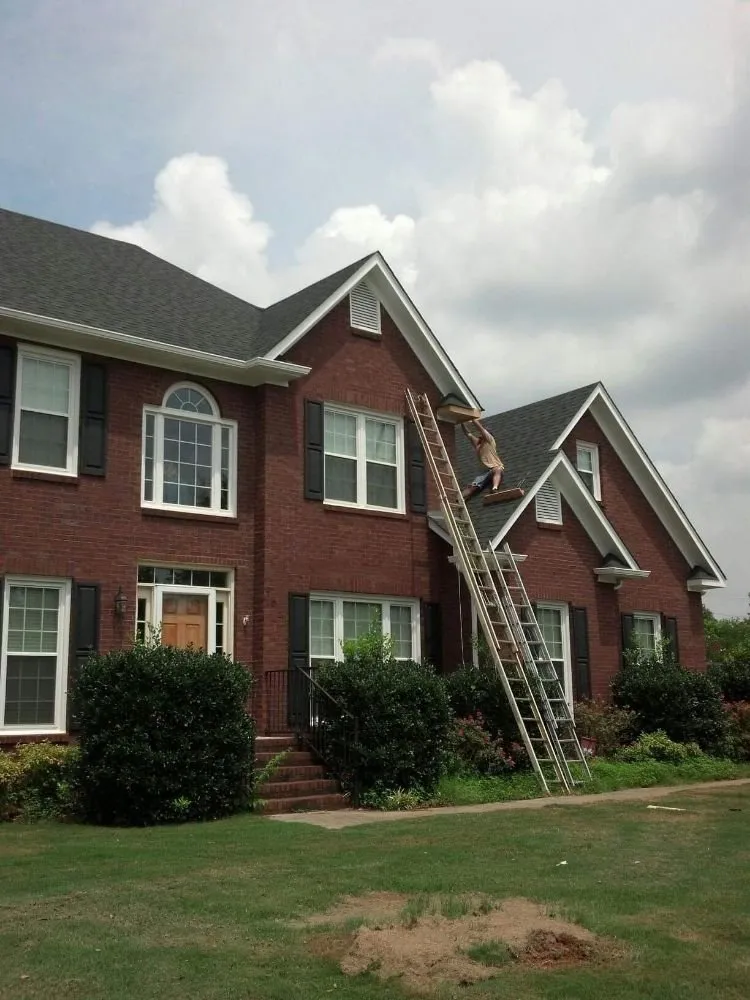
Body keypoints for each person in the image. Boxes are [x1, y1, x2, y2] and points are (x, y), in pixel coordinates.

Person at [462, 419, 505, 499]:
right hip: (484, 472)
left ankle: (495, 488)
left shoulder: (490, 440)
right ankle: (458, 499)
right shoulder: (478, 445)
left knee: (498, 469)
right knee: (473, 487)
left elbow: (480, 428)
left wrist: (473, 418)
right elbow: (468, 434)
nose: (482, 434)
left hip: (494, 467)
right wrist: (462, 421)